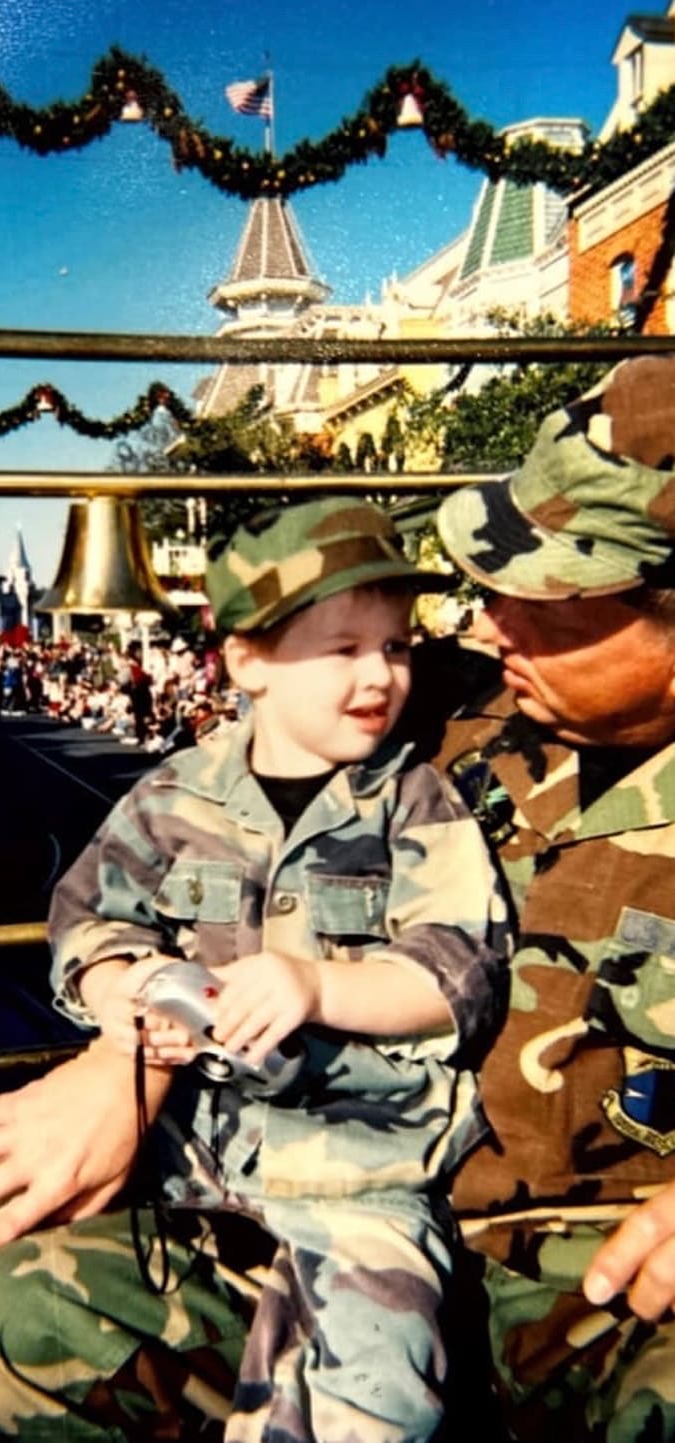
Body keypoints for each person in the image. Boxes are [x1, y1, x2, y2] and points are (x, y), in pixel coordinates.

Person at [0, 499, 509, 1442]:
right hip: (190, 1131)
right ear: (247, 663)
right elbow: (86, 918)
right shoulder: (173, 793)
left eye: (397, 646)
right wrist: (127, 993)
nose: (380, 674)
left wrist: (316, 986)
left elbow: (455, 971)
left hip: (360, 1164)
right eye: (342, 648)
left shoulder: (416, 802)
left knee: (377, 1370)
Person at [422, 354, 675, 1440]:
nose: (492, 624)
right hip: (390, 1229)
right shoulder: (460, 726)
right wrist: (125, 1065)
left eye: (548, 597)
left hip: (618, 1293)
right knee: (16, 1325)